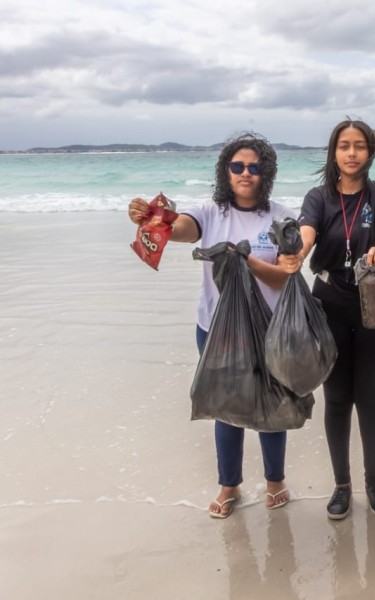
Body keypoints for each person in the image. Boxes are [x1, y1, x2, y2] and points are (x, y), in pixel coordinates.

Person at [127, 132, 300, 518]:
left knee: (272, 407)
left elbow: (285, 278)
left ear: (266, 173)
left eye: (254, 167)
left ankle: (276, 482)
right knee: (226, 409)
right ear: (226, 170)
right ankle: (229, 486)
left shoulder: (282, 216)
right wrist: (155, 217)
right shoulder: (210, 212)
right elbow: (180, 227)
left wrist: (247, 261)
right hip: (216, 328)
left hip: (270, 329)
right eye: (237, 166)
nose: (245, 173)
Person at [295, 119, 375, 520]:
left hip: (374, 300)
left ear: (370, 152)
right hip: (328, 303)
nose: (351, 153)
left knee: (371, 399)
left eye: (359, 146)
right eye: (344, 146)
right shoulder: (319, 197)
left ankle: (374, 483)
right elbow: (306, 233)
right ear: (334, 152)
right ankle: (342, 486)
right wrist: (297, 254)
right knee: (337, 399)